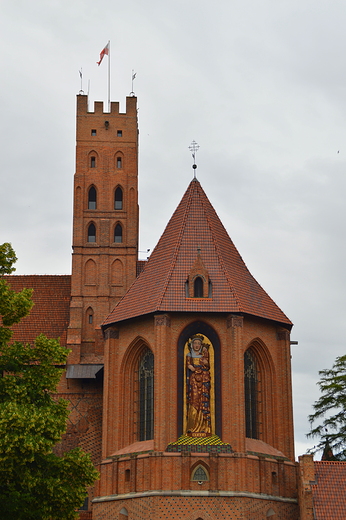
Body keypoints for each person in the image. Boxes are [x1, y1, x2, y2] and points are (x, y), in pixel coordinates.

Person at [186, 335, 211, 437]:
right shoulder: (189, 355)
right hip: (194, 381)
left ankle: (204, 427)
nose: (197, 345)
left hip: (203, 380)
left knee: (202, 401)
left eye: (198, 343)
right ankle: (192, 427)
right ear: (192, 345)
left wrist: (206, 363)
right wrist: (190, 366)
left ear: (201, 345)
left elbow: (208, 366)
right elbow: (188, 365)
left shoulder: (204, 355)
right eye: (195, 343)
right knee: (194, 400)